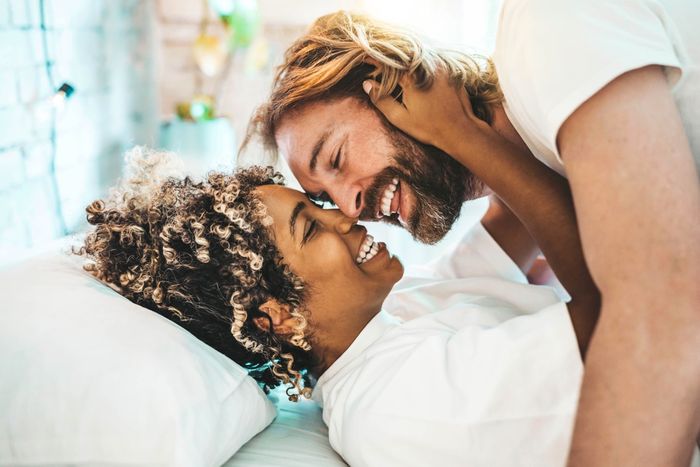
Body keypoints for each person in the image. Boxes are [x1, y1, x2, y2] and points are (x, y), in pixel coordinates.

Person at [244, 6, 700, 465]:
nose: (348, 209)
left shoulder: (552, 36)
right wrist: (461, 135)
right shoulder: (539, 125)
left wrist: (460, 133)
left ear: (393, 86)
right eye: (323, 198)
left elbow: (648, 307)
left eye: (337, 158)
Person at [78, 147, 598, 466]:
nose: (346, 217)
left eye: (319, 208)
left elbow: (513, 212)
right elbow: (634, 317)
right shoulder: (395, 402)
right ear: (278, 315)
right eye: (311, 228)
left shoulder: (396, 310)